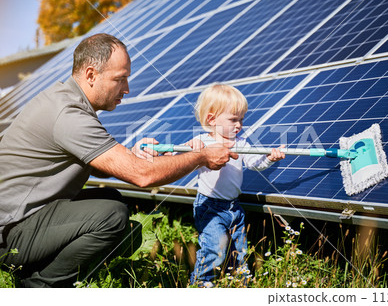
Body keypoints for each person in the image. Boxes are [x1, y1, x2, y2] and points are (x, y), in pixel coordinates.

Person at [0, 33, 237, 288]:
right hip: (9, 233)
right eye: (120, 79)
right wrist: (201, 156)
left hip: (23, 220)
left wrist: (132, 154)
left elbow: (98, 164)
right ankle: (37, 288)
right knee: (112, 216)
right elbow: (143, 176)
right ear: (91, 75)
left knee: (111, 198)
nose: (127, 89)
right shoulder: (68, 115)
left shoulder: (65, 100)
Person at [187, 84, 285, 287]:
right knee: (214, 248)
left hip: (234, 207)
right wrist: (193, 152)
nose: (239, 124)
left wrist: (269, 159)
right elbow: (185, 160)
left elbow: (253, 163)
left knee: (238, 251)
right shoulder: (202, 141)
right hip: (209, 207)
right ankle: (201, 283)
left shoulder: (241, 143)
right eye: (233, 119)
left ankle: (240, 283)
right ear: (212, 119)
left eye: (241, 119)